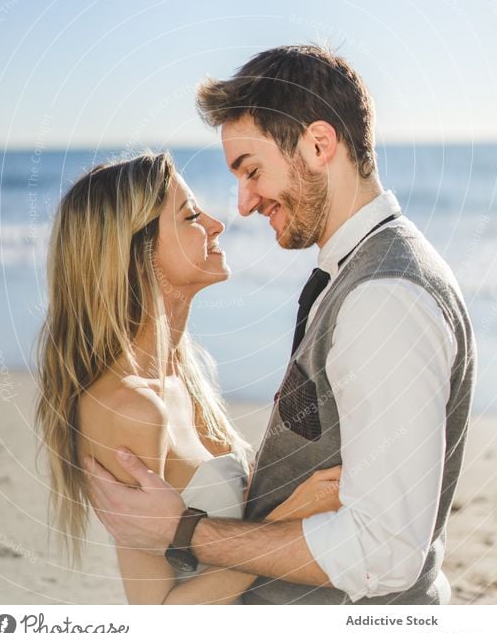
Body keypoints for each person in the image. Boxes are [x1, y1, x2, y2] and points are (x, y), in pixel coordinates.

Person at [85, 45, 476, 605]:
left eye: (252, 171)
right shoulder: (351, 277)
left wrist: (184, 532)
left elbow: (383, 555)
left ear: (319, 145)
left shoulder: (383, 298)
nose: (243, 204)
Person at [35, 151, 341, 605]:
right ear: (138, 253)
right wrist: (293, 518)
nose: (217, 225)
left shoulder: (186, 373)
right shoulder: (131, 408)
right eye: (191, 216)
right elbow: (158, 617)